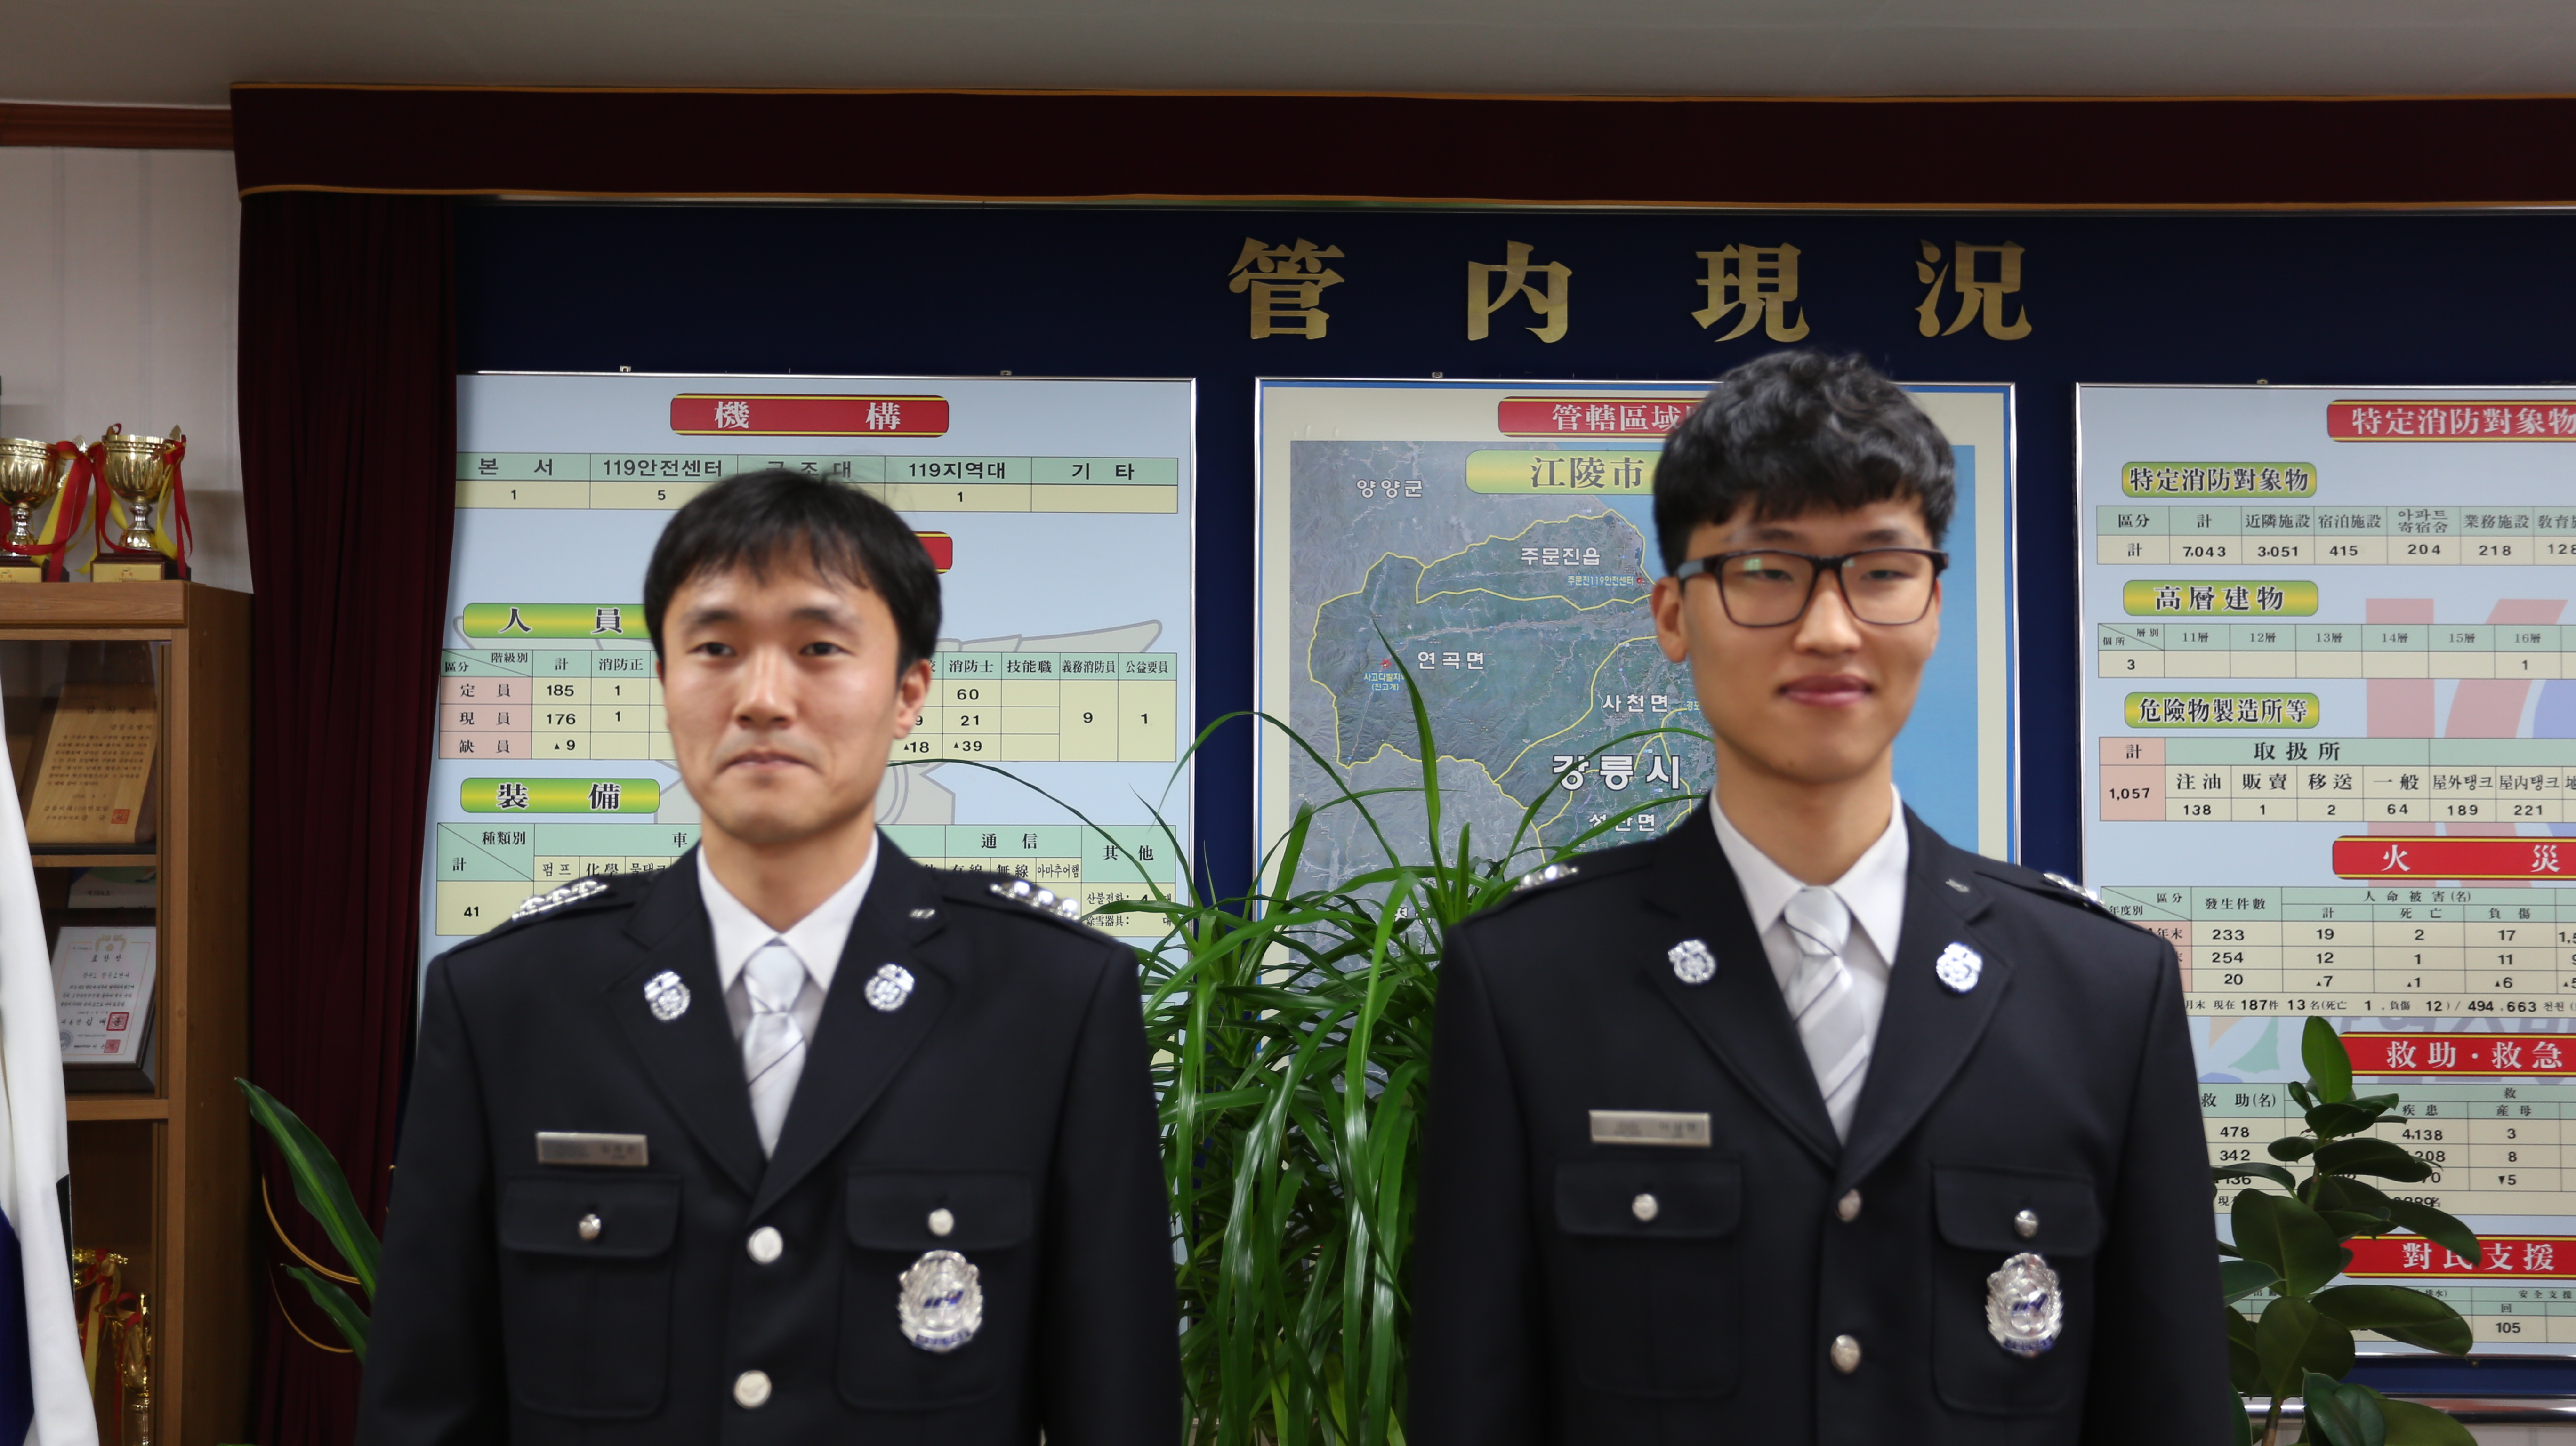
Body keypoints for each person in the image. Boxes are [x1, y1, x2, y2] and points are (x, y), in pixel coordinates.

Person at [1407, 353, 2227, 1444]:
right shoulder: (1528, 988)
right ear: (1673, 614)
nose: (1831, 630)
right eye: (1767, 570)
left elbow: (2170, 1410)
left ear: (1934, 606)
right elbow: (1473, 1406)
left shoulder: (2104, 997)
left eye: (1881, 572)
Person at [359, 470, 1179, 1444]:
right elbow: (427, 1408)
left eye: (818, 648)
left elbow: (1115, 1404)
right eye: (716, 648)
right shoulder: (507, 1003)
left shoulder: (1054, 1003)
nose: (761, 698)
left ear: (909, 693)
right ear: (665, 682)